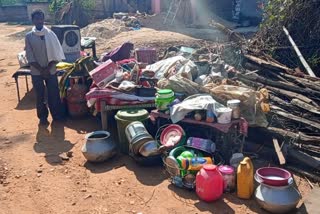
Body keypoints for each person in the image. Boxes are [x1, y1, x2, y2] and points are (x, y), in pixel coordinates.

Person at [25, 9, 66, 126]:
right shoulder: (29, 36)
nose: (39, 21)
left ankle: (57, 115)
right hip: (36, 71)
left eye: (41, 18)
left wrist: (48, 68)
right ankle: (42, 117)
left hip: (51, 69)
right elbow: (30, 56)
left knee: (54, 94)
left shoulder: (50, 34)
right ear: (33, 20)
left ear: (44, 19)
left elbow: (56, 53)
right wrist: (42, 70)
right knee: (40, 95)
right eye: (36, 18)